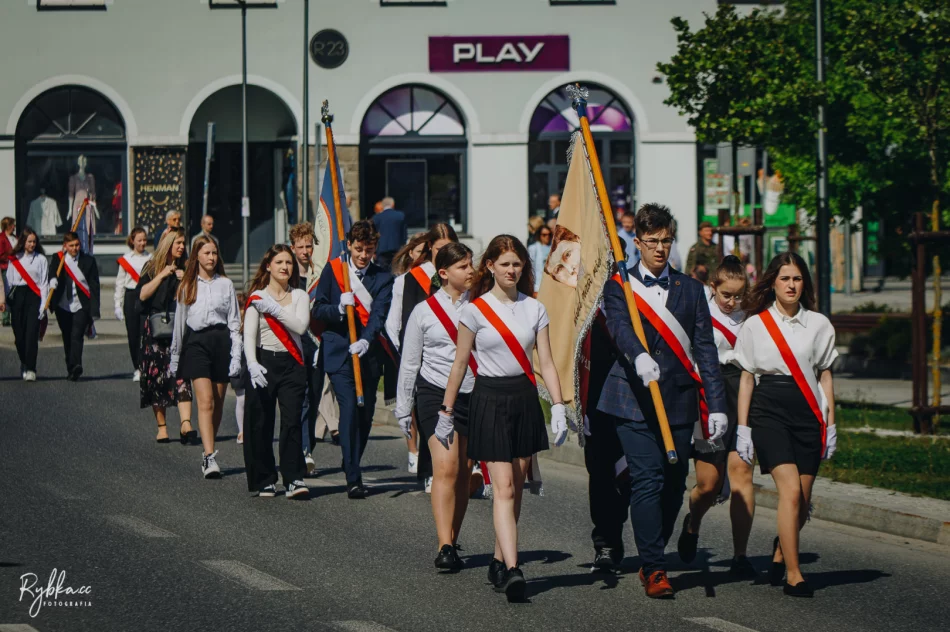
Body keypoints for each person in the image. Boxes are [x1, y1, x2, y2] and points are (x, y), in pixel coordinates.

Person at [596, 203, 727, 599]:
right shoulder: (620, 284)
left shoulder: (691, 289)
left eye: (665, 241)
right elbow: (618, 326)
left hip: (679, 400)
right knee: (647, 479)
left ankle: (656, 544)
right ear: (637, 242)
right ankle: (653, 567)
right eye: (651, 242)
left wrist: (717, 404)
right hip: (632, 399)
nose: (658, 249)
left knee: (673, 485)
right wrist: (638, 356)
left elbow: (705, 348)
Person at [441, 235, 568, 601]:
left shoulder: (534, 308)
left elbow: (545, 361)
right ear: (491, 267)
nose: (512, 270)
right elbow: (461, 363)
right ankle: (513, 569)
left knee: (517, 484)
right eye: (505, 263)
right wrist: (446, 411)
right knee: (504, 488)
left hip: (524, 399)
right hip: (490, 399)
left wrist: (557, 406)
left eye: (517, 264)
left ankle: (499, 558)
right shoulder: (475, 310)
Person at [734, 252, 838, 598]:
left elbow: (825, 376)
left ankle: (781, 551)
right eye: (784, 279)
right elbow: (747, 378)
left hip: (809, 413)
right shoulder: (754, 325)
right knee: (790, 492)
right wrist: (743, 428)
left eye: (796, 278)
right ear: (772, 283)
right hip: (769, 412)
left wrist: (831, 423)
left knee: (802, 504)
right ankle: (794, 574)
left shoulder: (820, 324)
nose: (791, 285)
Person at [396, 242, 478, 569]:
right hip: (433, 394)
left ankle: (453, 538)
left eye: (471, 264)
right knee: (446, 467)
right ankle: (444, 545)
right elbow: (409, 362)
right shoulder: (424, 311)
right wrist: (403, 408)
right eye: (463, 266)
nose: (470, 271)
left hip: (473, 393)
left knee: (463, 472)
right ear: (443, 273)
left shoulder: (482, 307)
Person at [676, 255, 756, 577]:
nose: (732, 301)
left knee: (742, 475)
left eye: (738, 295)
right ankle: (693, 522)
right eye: (726, 295)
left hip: (741, 390)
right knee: (709, 484)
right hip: (708, 392)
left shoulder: (751, 316)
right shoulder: (700, 311)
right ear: (713, 288)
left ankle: (740, 556)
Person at [312, 219, 394, 499]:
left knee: (365, 415)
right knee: (348, 410)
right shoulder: (335, 271)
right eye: (358, 248)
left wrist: (366, 340)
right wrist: (338, 308)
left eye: (369, 250)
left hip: (367, 354)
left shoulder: (383, 278)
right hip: (338, 353)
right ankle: (353, 476)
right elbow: (318, 309)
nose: (363, 255)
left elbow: (379, 315)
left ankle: (351, 459)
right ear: (349, 245)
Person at [386, 223, 459, 486]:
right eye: (440, 248)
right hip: (424, 360)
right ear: (430, 248)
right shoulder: (409, 279)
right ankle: (429, 471)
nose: (444, 253)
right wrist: (409, 353)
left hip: (457, 358)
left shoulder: (462, 276)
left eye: (449, 248)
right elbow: (392, 324)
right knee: (428, 413)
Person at [170, 235, 242, 478]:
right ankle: (209, 456)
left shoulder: (226, 284)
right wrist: (175, 356)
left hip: (221, 341)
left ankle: (209, 440)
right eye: (206, 253)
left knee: (219, 402)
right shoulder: (187, 285)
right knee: (206, 401)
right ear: (196, 257)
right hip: (197, 343)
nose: (211, 258)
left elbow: (234, 321)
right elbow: (180, 324)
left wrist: (236, 353)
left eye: (214, 253)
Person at [243, 244, 311, 499]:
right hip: (263, 361)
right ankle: (264, 479)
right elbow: (249, 334)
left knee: (292, 421)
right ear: (268, 266)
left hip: (292, 364)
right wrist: (251, 363)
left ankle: (294, 478)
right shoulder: (257, 297)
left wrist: (274, 309)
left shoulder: (300, 296)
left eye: (289, 263)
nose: (284, 267)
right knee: (260, 422)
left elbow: (301, 326)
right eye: (280, 262)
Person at [136, 229, 193, 443]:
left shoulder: (187, 268)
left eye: (183, 243)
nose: (181, 247)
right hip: (156, 331)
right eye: (177, 243)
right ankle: (162, 427)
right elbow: (142, 295)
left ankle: (186, 423)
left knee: (182, 376)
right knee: (157, 378)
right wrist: (164, 274)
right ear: (168, 244)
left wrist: (184, 278)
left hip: (181, 328)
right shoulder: (151, 267)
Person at [290, 221, 326, 473]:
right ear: (292, 248)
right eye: (300, 247)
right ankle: (303, 451)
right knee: (301, 398)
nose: (305, 251)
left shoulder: (319, 275)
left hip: (317, 343)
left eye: (309, 246)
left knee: (313, 398)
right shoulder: (288, 275)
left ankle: (307, 444)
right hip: (294, 343)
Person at [48, 232, 101, 381]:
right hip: (63, 304)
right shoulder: (58, 259)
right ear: (65, 246)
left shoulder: (89, 261)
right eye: (71, 246)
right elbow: (52, 273)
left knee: (77, 335)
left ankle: (77, 364)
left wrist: (95, 309)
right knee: (67, 336)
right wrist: (52, 280)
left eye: (77, 245)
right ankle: (70, 366)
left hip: (81, 304)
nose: (75, 248)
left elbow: (94, 285)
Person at [5, 227, 48, 381]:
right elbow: (8, 282)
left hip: (34, 297)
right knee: (19, 336)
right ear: (23, 242)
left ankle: (31, 368)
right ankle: (24, 361)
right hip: (17, 297)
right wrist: (7, 304)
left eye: (34, 242)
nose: (32, 244)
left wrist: (43, 305)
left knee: (31, 335)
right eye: (29, 241)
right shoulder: (14, 259)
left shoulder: (41, 259)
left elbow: (44, 284)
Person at [115, 227, 151, 381]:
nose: (143, 243)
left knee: (146, 333)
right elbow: (120, 283)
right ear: (133, 241)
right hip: (131, 296)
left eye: (144, 240)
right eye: (139, 240)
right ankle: (137, 367)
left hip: (146, 296)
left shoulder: (151, 258)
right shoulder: (126, 259)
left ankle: (146, 366)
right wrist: (117, 304)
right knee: (133, 334)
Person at [371, 197, 407, 271]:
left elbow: (373, 235)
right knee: (395, 270)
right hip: (397, 249)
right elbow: (404, 235)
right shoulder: (400, 216)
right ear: (393, 204)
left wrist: (373, 251)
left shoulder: (376, 218)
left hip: (382, 249)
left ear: (382, 205)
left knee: (383, 271)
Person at [527, 225, 552, 295]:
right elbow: (530, 268)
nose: (547, 236)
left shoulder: (553, 248)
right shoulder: (533, 248)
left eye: (549, 234)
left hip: (550, 285)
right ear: (539, 235)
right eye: (544, 235)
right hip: (538, 285)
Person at [0, 217, 15, 327]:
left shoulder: (14, 238)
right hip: (6, 267)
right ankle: (5, 317)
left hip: (16, 269)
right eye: (12, 224)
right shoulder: (1, 238)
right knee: (5, 292)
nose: (14, 227)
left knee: (14, 292)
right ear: (7, 225)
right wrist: (10, 256)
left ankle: (13, 314)